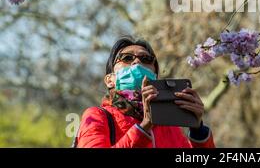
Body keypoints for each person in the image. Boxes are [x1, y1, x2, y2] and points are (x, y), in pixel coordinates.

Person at [75, 36, 215, 148]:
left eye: (146, 59)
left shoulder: (170, 127)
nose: (137, 62)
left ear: (155, 76)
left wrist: (198, 131)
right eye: (127, 58)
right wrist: (143, 127)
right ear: (110, 80)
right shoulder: (96, 116)